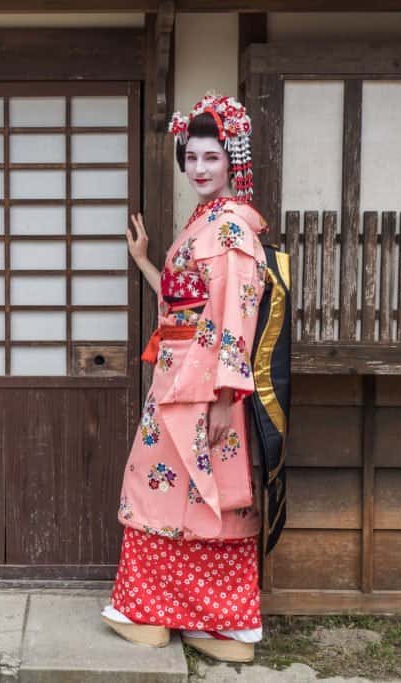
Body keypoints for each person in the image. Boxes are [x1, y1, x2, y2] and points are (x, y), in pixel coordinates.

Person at [100, 92, 268, 663]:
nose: (198, 168)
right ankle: (197, 620)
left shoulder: (229, 229)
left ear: (232, 161)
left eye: (211, 157)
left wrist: (223, 396)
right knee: (173, 493)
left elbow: (234, 318)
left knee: (183, 491)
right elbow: (183, 306)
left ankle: (195, 620)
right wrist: (146, 262)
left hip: (204, 386)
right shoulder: (208, 223)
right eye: (191, 157)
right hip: (182, 377)